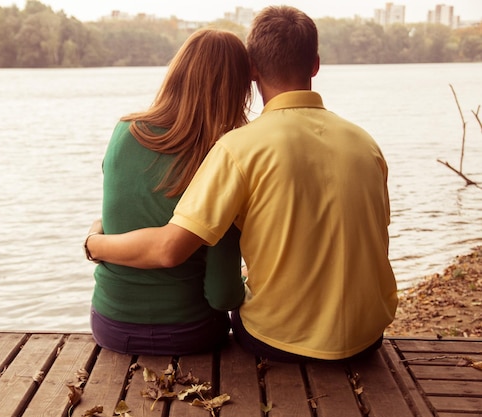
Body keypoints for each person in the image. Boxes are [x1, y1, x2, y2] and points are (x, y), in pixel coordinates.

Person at [85, 6, 398, 362]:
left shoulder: (236, 147)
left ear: (253, 70)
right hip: (367, 336)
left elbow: (172, 249)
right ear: (315, 65)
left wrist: (95, 244)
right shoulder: (366, 143)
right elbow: (372, 233)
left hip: (278, 341)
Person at [85, 28, 253, 356]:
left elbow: (120, 212)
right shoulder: (222, 156)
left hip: (108, 325)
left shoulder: (124, 130)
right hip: (189, 332)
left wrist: (94, 242)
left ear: (176, 72)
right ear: (238, 89)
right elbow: (223, 296)